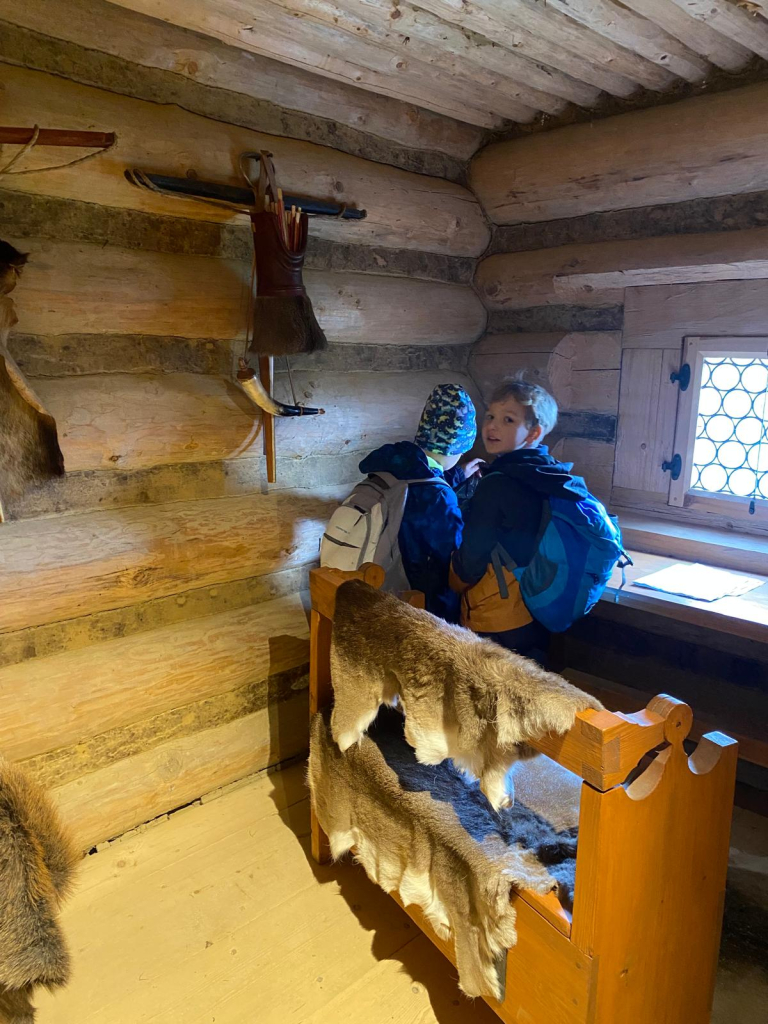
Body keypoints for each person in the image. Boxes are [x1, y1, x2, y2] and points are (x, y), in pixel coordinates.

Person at [450, 377, 589, 658]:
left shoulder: (497, 484)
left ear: (534, 433)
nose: (492, 426)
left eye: (508, 420)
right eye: (490, 416)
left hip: (497, 617)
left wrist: (451, 579)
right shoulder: (551, 473)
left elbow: (471, 562)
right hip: (537, 608)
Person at [358, 383, 478, 623]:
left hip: (371, 582)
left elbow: (420, 492)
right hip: (414, 605)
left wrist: (456, 476)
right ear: (456, 447)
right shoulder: (438, 498)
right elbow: (451, 561)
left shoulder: (393, 468)